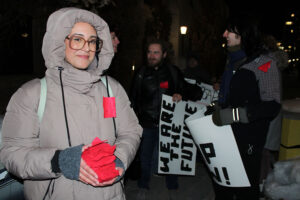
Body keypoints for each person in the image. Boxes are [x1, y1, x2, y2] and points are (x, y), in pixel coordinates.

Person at [0, 7, 142, 200]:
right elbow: (12, 153)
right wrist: (59, 160)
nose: (86, 47)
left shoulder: (112, 89)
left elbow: (131, 131)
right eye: (77, 39)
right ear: (59, 41)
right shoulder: (32, 94)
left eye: (92, 41)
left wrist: (119, 158)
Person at [211, 15, 281, 200]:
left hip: (248, 139)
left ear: (243, 35)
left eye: (229, 31)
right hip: (225, 136)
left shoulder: (264, 63)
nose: (224, 34)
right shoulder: (232, 61)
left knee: (245, 190)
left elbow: (272, 105)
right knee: (222, 186)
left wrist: (234, 115)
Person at [130, 38, 202, 200]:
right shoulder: (140, 73)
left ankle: (172, 186)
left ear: (163, 54)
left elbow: (191, 91)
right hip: (146, 124)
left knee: (171, 155)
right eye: (149, 52)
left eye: (156, 52)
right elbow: (133, 100)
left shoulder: (172, 72)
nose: (152, 55)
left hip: (168, 123)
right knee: (145, 158)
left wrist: (180, 94)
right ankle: (143, 186)